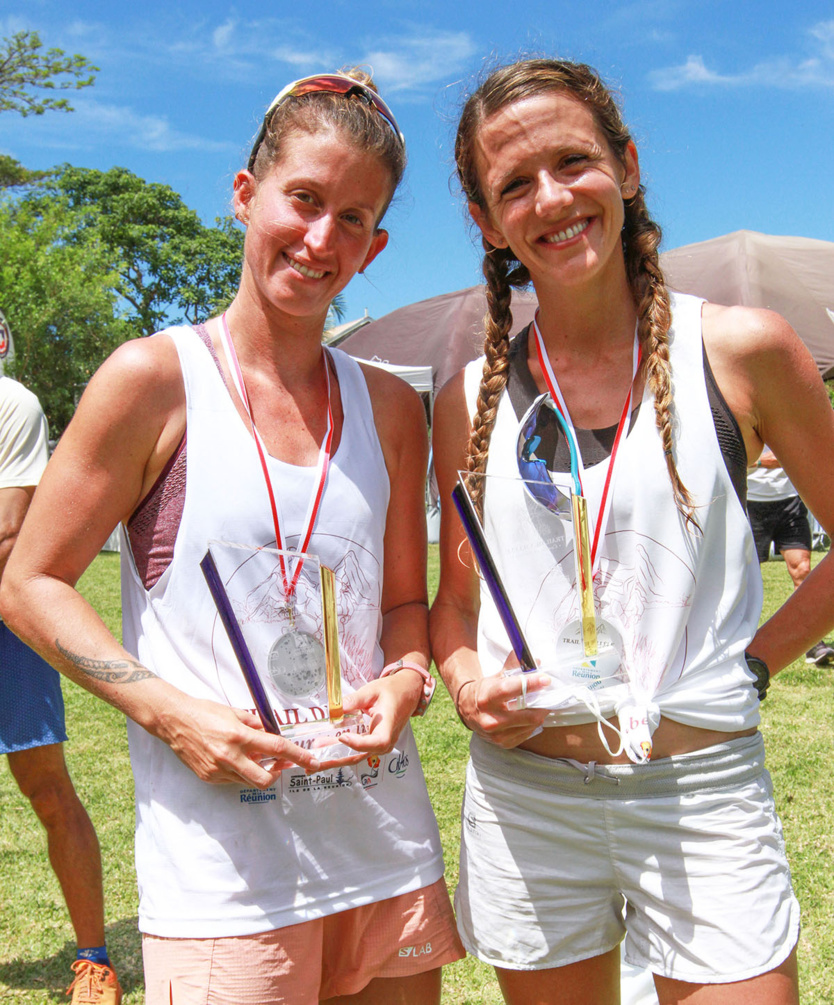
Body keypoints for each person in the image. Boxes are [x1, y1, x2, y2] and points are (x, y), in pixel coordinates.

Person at [1, 69, 463, 1005]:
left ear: (375, 249)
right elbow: (29, 582)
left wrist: (407, 682)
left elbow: (406, 604)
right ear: (247, 196)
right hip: (227, 876)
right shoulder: (152, 380)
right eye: (304, 199)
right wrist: (173, 714)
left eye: (353, 219)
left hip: (382, 847)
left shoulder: (388, 406)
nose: (320, 238)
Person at [430, 57, 834, 1004]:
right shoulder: (468, 398)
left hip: (700, 795)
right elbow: (455, 602)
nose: (552, 198)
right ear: (488, 223)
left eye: (574, 161)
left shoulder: (741, 348)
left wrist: (758, 661)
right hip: (528, 800)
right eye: (514, 185)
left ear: (629, 165)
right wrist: (466, 685)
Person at [0, 375, 122, 1005]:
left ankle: (93, 959)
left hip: (6, 629)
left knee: (47, 789)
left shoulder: (10, 403)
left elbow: (9, 535)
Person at [748, 446, 834, 665]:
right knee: (745, 577)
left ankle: (813, 645)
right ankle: (739, 644)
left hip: (789, 503)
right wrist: (759, 463)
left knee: (802, 569)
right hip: (751, 501)